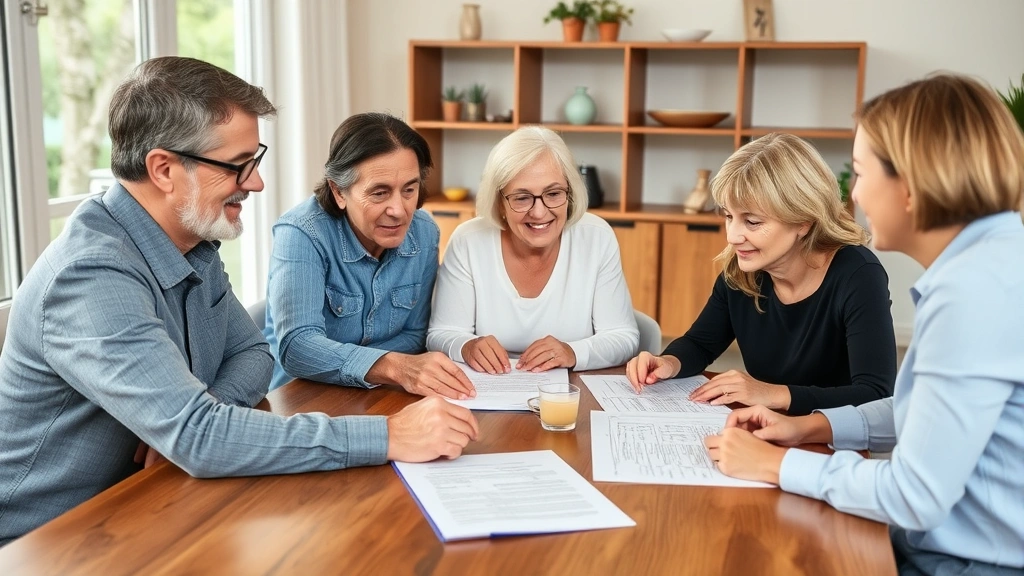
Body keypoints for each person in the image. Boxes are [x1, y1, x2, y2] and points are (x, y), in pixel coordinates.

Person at [0, 57, 478, 546]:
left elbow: (253, 354)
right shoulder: (91, 274)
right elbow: (201, 437)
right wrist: (390, 435)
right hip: (48, 542)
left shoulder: (193, 245)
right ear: (164, 169)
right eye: (237, 165)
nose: (255, 182)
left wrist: (190, 422)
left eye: (255, 160)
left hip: (156, 502)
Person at [705, 74, 1024, 574]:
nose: (851, 194)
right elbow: (923, 411)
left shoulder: (974, 295)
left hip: (967, 561)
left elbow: (915, 496)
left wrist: (777, 465)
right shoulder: (992, 267)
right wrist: (810, 426)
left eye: (858, 172)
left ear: (912, 186)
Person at [626, 133, 896, 416]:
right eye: (729, 216)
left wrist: (771, 393)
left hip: (832, 442)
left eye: (752, 222)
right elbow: (700, 344)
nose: (732, 236)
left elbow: (875, 395)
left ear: (802, 222)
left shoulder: (858, 275)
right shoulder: (742, 269)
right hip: (767, 427)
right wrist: (669, 362)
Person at [263, 113, 475, 399]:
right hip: (302, 398)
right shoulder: (301, 234)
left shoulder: (424, 232)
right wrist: (393, 366)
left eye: (409, 190)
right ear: (338, 191)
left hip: (381, 394)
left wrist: (371, 367)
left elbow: (417, 334)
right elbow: (299, 348)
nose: (399, 210)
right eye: (379, 193)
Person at [427, 126, 639, 373]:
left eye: (553, 193)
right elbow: (441, 334)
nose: (539, 212)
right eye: (521, 197)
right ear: (500, 202)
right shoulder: (468, 241)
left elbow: (624, 337)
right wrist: (466, 346)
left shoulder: (596, 237)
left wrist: (572, 352)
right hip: (488, 393)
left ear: (570, 193)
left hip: (572, 393)